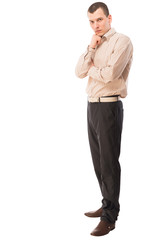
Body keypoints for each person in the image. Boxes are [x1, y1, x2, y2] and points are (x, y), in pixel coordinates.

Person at [75, 1, 133, 237]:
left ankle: (110, 217)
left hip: (109, 106)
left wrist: (91, 70)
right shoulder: (95, 43)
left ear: (109, 18)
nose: (95, 25)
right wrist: (90, 50)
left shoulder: (123, 41)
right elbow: (78, 71)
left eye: (99, 20)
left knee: (109, 163)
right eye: (91, 21)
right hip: (92, 107)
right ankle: (106, 202)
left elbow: (111, 75)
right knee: (98, 162)